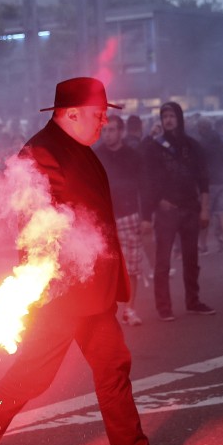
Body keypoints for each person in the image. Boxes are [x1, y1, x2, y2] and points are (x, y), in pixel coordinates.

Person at [0, 77, 189, 445]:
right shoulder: (41, 153)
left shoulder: (77, 149)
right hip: (61, 292)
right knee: (32, 377)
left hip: (89, 290)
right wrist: (50, 278)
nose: (102, 123)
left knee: (113, 364)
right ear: (71, 114)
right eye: (97, 115)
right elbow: (39, 224)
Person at [141, 101, 215, 321]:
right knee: (163, 261)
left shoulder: (193, 146)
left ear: (179, 118)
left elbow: (204, 180)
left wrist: (205, 209)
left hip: (190, 209)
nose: (168, 120)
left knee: (191, 259)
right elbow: (145, 176)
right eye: (164, 117)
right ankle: (164, 307)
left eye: (172, 115)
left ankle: (193, 301)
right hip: (166, 212)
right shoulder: (154, 147)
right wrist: (156, 203)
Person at [94, 114, 148, 326]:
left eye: (112, 130)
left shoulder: (133, 155)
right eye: (105, 130)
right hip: (103, 220)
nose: (108, 135)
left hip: (129, 216)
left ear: (121, 131)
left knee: (131, 267)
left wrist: (146, 217)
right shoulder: (96, 156)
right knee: (104, 268)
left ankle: (130, 310)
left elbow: (144, 186)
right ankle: (105, 311)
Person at [196, 117, 223, 254]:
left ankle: (203, 246)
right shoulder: (222, 143)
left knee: (205, 212)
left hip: (208, 183)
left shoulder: (201, 144)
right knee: (222, 212)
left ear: (202, 128)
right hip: (221, 181)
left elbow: (199, 166)